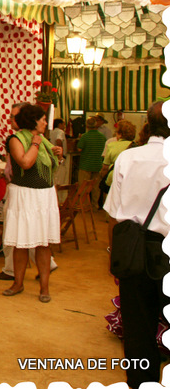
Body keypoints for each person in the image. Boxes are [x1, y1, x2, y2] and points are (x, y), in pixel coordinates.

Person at [103, 101, 169, 387]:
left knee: (138, 329)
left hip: (133, 250)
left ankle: (141, 383)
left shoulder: (128, 158)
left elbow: (115, 215)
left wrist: (115, 257)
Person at [0, 103, 59, 281]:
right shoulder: (17, 139)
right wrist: (35, 144)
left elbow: (40, 164)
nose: (12, 120)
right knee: (18, 238)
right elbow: (25, 163)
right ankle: (14, 276)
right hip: (24, 193)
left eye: (14, 116)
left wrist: (54, 153)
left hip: (41, 195)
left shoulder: (41, 139)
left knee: (39, 239)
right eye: (43, 120)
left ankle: (41, 275)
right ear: (34, 121)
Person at [76, 116, 107, 210]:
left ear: (87, 126)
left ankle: (84, 206)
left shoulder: (85, 136)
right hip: (98, 164)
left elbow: (79, 148)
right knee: (96, 188)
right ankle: (94, 205)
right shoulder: (102, 137)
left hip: (86, 164)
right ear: (96, 125)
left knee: (84, 186)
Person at [100, 120, 136, 193]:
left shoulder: (112, 145)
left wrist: (103, 177)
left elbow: (105, 167)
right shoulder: (136, 147)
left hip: (113, 178)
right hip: (130, 179)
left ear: (120, 134)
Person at [50, 119, 69, 188]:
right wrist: (60, 154)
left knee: (54, 177)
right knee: (60, 179)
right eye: (63, 124)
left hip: (52, 156)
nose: (64, 126)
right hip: (59, 157)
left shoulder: (51, 132)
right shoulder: (60, 132)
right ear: (59, 124)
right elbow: (58, 140)